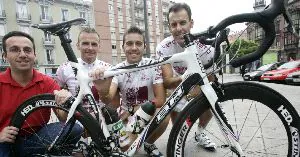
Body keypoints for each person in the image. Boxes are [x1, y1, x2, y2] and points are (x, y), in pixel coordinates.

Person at [0, 31, 83, 156]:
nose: (22, 54)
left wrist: (65, 101)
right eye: (15, 50)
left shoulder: (47, 82)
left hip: (37, 139)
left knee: (76, 128)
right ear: (4, 55)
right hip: (5, 141)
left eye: (27, 50)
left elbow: (62, 117)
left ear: (34, 55)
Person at [91, 26, 168, 157]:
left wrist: (133, 110)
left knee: (164, 117)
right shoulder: (117, 69)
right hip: (126, 118)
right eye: (129, 43)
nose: (134, 47)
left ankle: (148, 143)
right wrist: (102, 87)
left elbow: (160, 99)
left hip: (144, 112)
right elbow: (108, 99)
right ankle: (133, 141)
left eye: (138, 43)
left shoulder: (152, 65)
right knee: (127, 149)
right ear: (123, 47)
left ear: (144, 47)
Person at [156, 3, 216, 151]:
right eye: (173, 24)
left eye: (183, 22)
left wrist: (196, 89)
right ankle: (178, 137)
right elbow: (168, 82)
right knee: (178, 121)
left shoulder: (206, 48)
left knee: (211, 102)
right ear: (169, 27)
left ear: (191, 23)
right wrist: (187, 80)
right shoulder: (164, 48)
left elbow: (211, 78)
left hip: (199, 85)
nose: (178, 28)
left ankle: (200, 132)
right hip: (177, 86)